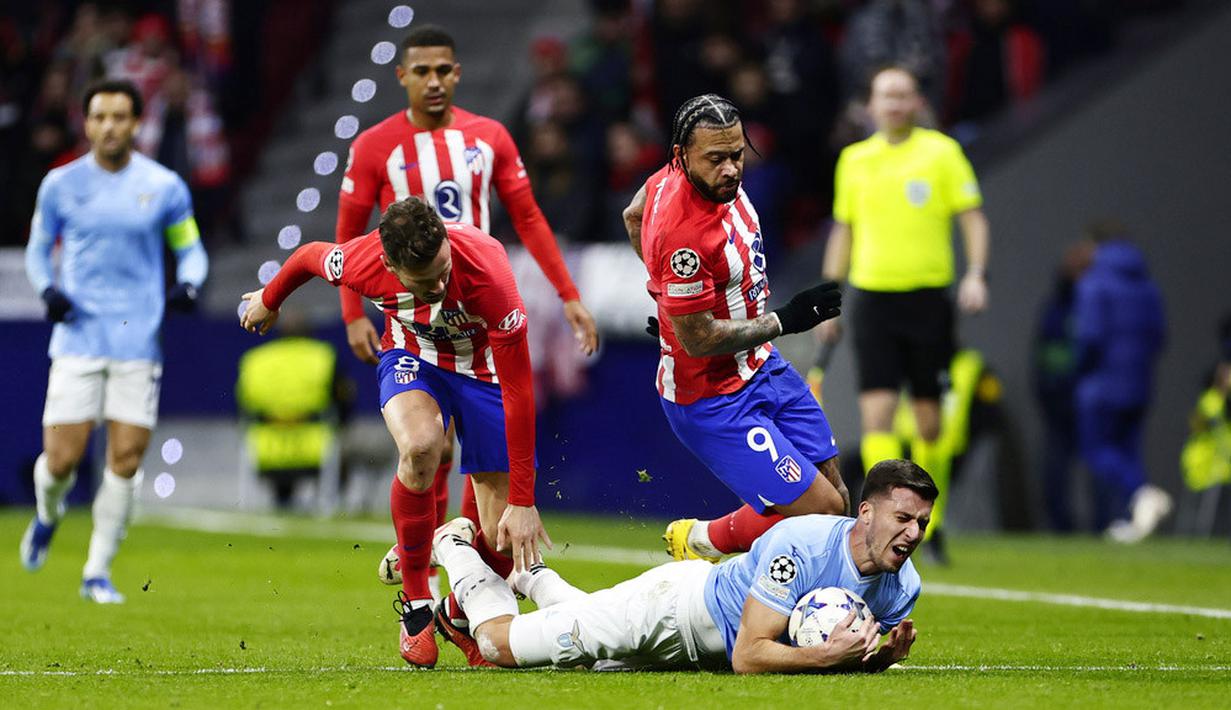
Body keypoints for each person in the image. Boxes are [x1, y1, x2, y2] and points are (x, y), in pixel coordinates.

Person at [336, 24, 598, 594]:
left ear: (457, 73)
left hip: (477, 305)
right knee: (431, 444)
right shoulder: (376, 145)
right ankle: (427, 568)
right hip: (413, 313)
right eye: (422, 71)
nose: (433, 81)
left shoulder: (490, 137)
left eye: (442, 70)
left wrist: (568, 293)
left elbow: (528, 217)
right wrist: (352, 313)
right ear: (403, 76)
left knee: (483, 451)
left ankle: (454, 562)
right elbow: (348, 233)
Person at [239, 197, 547, 669]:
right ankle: (418, 602)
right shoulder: (363, 261)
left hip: (484, 372)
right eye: (425, 281)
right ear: (390, 266)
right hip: (414, 357)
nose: (439, 285)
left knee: (501, 539)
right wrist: (269, 298)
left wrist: (523, 500)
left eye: (443, 270)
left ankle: (454, 614)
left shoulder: (489, 276)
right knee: (421, 447)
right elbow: (307, 257)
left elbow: (520, 392)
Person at [430, 459, 933, 673]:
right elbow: (749, 656)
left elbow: (841, 651)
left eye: (923, 524)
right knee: (497, 646)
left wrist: (877, 659)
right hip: (668, 612)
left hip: (695, 654)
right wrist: (826, 657)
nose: (913, 534)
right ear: (866, 512)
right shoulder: (801, 546)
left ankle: (530, 575)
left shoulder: (903, 586)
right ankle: (452, 545)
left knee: (588, 654)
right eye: (903, 518)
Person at [622, 93, 849, 565]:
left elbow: (633, 214)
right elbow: (699, 340)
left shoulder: (669, 179)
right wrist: (785, 319)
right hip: (713, 398)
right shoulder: (684, 234)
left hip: (761, 365)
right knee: (822, 511)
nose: (730, 169)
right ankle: (704, 541)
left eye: (737, 154)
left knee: (837, 497)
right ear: (682, 155)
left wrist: (670, 302)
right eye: (716, 159)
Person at [19, 78, 209, 604]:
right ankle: (47, 514)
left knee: (125, 460)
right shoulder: (60, 184)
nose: (109, 127)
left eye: (119, 117)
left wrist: (190, 283)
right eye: (99, 117)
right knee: (60, 462)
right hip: (77, 336)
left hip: (138, 340)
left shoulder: (163, 186)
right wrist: (47, 289)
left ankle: (96, 572)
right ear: (86, 124)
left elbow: (190, 248)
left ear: (136, 123)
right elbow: (37, 249)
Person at [819, 65, 991, 560]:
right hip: (874, 299)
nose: (894, 104)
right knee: (876, 414)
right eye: (885, 95)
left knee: (928, 421)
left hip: (928, 300)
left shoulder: (942, 153)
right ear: (871, 105)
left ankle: (930, 525)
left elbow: (972, 218)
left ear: (917, 102)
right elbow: (843, 230)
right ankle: (886, 525)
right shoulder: (854, 160)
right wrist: (828, 301)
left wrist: (976, 273)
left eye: (902, 95)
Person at [1072, 220, 1169, 542]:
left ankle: (1143, 493)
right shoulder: (1148, 286)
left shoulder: (1094, 283)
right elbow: (1159, 336)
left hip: (1102, 384)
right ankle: (1135, 521)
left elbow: (1089, 337)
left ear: (1094, 246)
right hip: (1139, 382)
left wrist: (1079, 371)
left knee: (1097, 450)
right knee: (1128, 452)